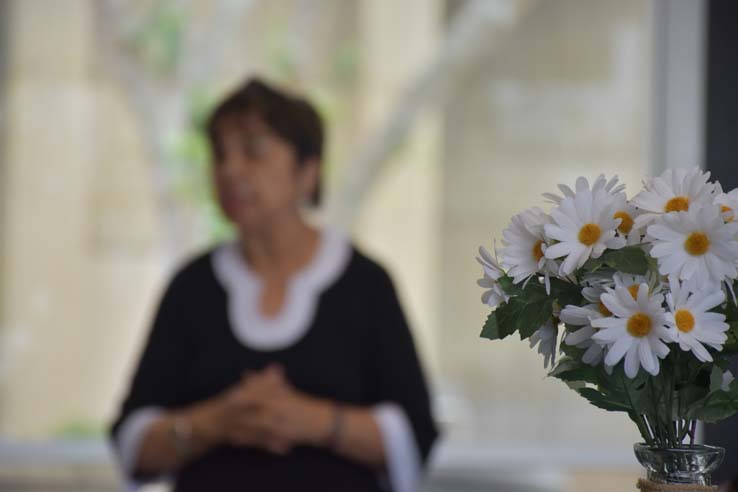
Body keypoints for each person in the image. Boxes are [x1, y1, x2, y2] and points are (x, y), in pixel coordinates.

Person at [109, 78, 438, 492]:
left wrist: (312, 420)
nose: (229, 170)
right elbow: (132, 445)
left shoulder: (366, 285)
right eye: (220, 154)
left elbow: (414, 436)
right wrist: (217, 421)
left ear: (307, 171)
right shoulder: (191, 288)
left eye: (253, 150)